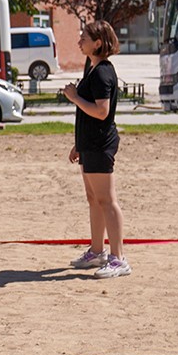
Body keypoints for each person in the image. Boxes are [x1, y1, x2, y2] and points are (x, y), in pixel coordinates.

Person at [63, 21, 129, 279]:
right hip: (90, 142)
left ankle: (118, 258)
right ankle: (97, 251)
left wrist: (74, 97)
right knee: (94, 199)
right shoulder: (91, 67)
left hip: (101, 143)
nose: (80, 40)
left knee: (107, 201)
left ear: (98, 43)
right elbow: (89, 114)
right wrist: (79, 143)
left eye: (85, 37)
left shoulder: (103, 72)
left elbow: (101, 112)